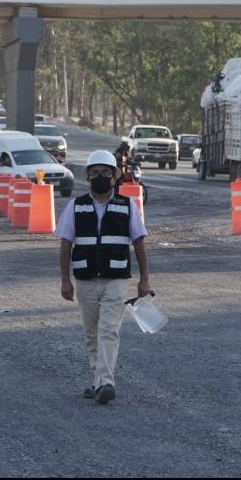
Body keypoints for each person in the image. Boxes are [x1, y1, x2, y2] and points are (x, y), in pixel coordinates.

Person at [57, 149, 152, 405]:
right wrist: (65, 280)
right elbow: (65, 245)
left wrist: (144, 279)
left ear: (115, 176)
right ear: (88, 177)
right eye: (95, 173)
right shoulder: (76, 206)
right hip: (85, 279)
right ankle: (98, 382)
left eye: (106, 172)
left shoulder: (127, 206)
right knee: (92, 334)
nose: (100, 177)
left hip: (116, 279)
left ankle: (106, 383)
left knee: (108, 331)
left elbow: (139, 244)